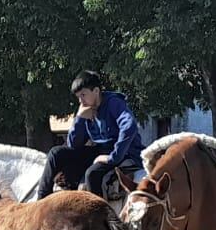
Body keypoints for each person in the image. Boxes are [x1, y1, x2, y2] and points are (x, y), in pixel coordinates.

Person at [36, 71, 145, 199]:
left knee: (92, 174)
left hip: (125, 153)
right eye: (78, 97)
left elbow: (129, 126)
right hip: (99, 152)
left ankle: (98, 217)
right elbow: (73, 144)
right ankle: (41, 202)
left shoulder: (114, 103)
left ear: (96, 91)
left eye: (83, 95)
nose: (81, 101)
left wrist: (112, 158)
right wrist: (79, 119)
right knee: (56, 154)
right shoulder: (86, 110)